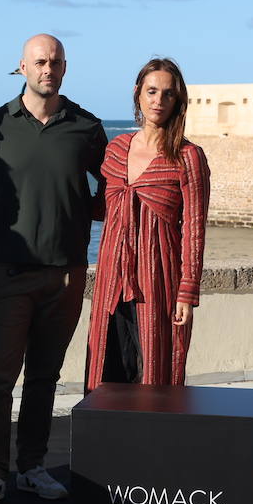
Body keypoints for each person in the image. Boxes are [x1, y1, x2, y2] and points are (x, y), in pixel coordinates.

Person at [0, 34, 107, 504]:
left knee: (44, 378)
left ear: (65, 67)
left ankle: (32, 467)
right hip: (9, 272)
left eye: (56, 62)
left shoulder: (86, 126)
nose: (48, 69)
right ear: (22, 67)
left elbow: (112, 188)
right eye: (40, 61)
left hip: (66, 275)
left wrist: (82, 213)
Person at [85, 58, 209, 391]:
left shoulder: (188, 156)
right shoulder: (115, 149)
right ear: (137, 93)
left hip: (159, 281)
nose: (158, 101)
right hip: (111, 279)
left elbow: (194, 230)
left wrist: (187, 293)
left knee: (153, 370)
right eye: (152, 91)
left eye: (168, 94)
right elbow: (101, 208)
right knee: (108, 367)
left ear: (178, 101)